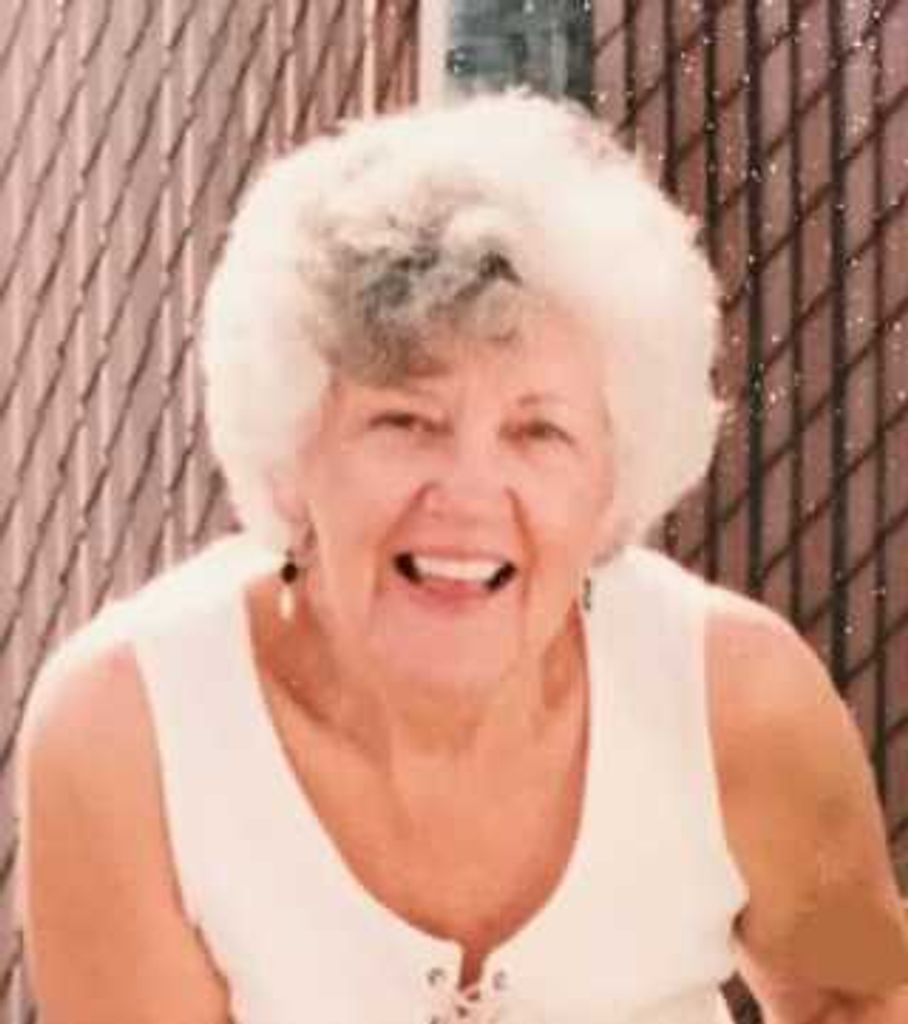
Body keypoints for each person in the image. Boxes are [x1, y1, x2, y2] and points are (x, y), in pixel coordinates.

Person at [16, 91, 908, 1024]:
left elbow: (861, 1000)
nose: (469, 496)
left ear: (613, 478)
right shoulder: (128, 728)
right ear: (291, 453)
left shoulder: (740, 696)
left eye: (538, 431)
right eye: (406, 421)